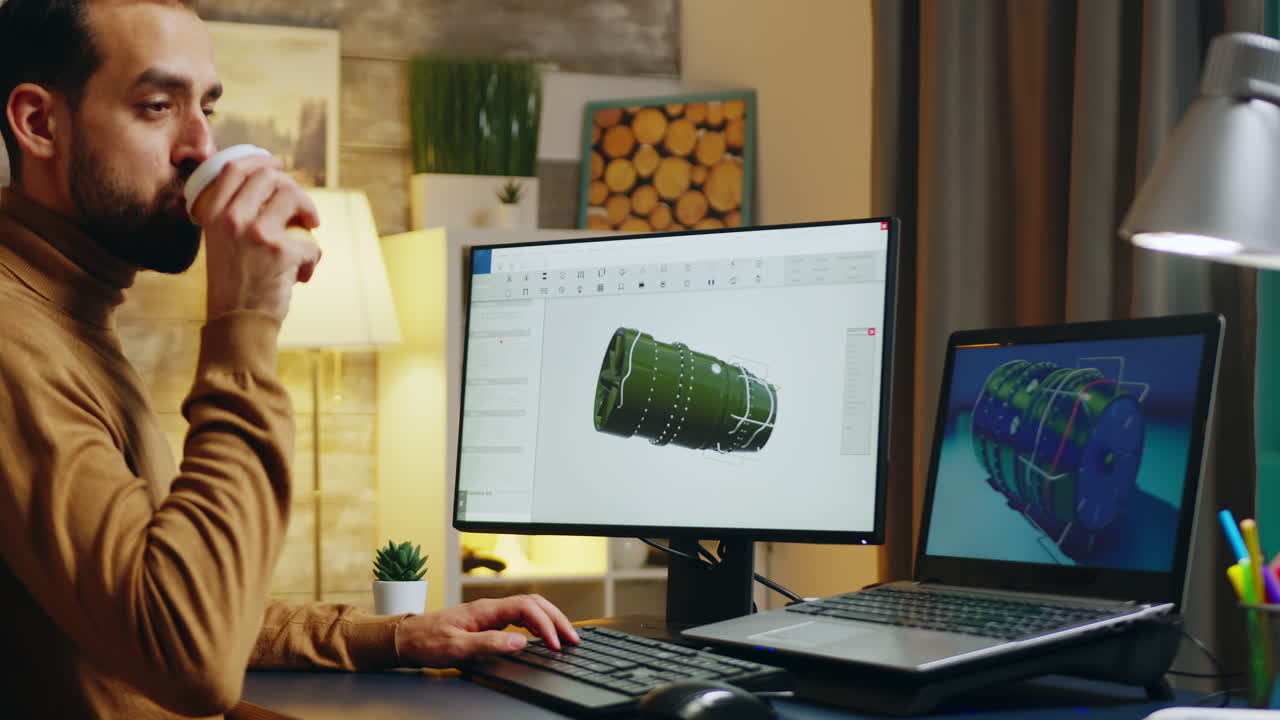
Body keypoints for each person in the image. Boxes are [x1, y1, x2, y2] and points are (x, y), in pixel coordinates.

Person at [0, 0, 579, 717]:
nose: (200, 147)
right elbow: (190, 655)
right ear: (38, 124)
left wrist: (397, 635)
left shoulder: (67, 310)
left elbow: (165, 596)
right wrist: (244, 320)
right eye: (156, 107)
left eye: (207, 107)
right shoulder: (13, 337)